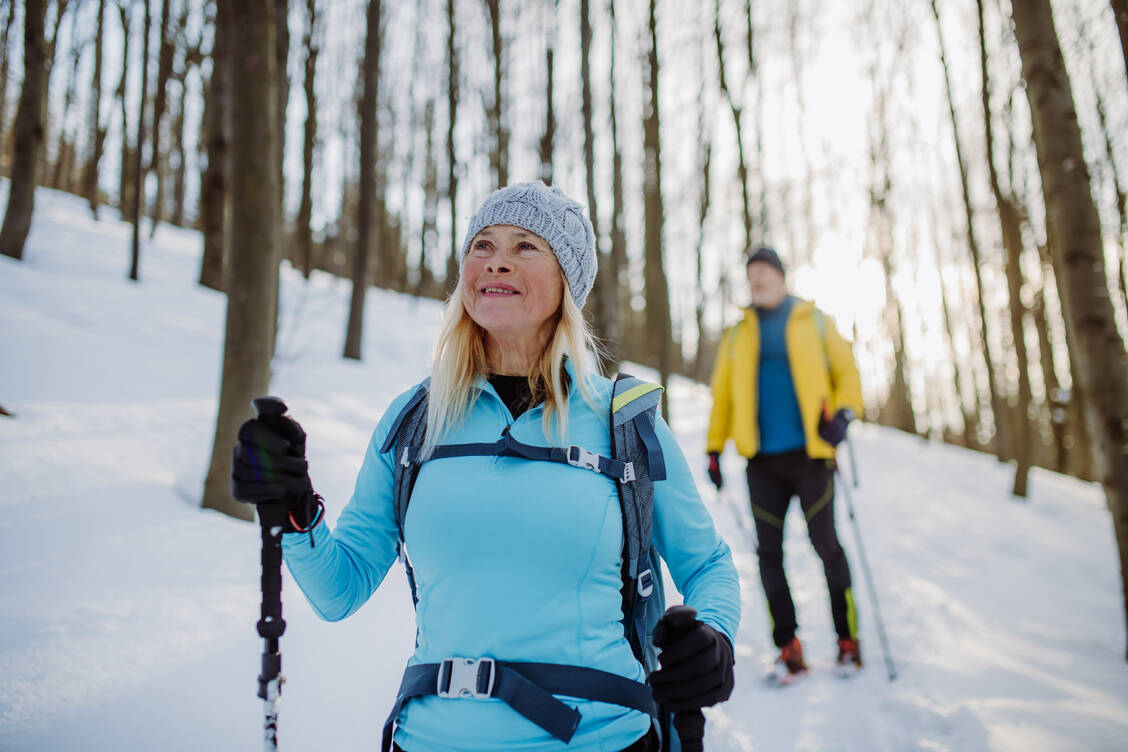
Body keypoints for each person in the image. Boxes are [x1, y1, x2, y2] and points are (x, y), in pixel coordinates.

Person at [231, 181, 740, 752]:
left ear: (566, 282)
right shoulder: (415, 420)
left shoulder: (622, 422)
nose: (497, 259)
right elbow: (339, 589)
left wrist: (714, 637)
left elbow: (709, 565)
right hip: (429, 740)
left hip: (600, 740)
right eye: (482, 245)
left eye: (526, 246)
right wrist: (295, 510)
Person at [705, 245, 863, 682]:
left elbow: (847, 373)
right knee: (769, 555)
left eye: (764, 272)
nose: (757, 280)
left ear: (781, 277)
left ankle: (847, 639)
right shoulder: (738, 333)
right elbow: (723, 394)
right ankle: (788, 646)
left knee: (827, 546)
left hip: (812, 457)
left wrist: (845, 415)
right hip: (761, 462)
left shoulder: (812, 320)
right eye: (751, 274)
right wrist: (714, 447)